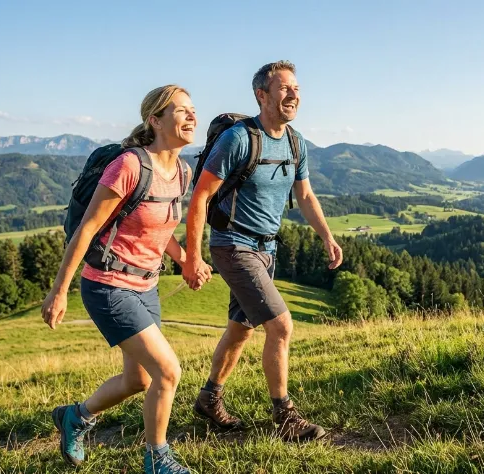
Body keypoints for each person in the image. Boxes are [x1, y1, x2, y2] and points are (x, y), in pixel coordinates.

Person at [42, 85, 212, 474]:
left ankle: (75, 417)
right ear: (155, 120)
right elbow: (87, 230)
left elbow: (157, 227)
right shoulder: (130, 166)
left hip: (146, 286)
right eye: (181, 111)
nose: (191, 117)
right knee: (168, 372)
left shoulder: (182, 172)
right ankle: (157, 459)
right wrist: (59, 291)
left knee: (137, 379)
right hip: (108, 285)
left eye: (193, 110)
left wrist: (186, 258)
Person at [183, 60, 342, 442]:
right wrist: (193, 256)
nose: (294, 95)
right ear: (262, 95)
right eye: (285, 88)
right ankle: (285, 417)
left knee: (241, 329)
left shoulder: (295, 141)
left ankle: (208, 399)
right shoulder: (238, 139)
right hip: (233, 245)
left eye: (297, 89)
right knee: (281, 325)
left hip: (266, 249)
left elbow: (304, 195)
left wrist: (326, 236)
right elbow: (200, 196)